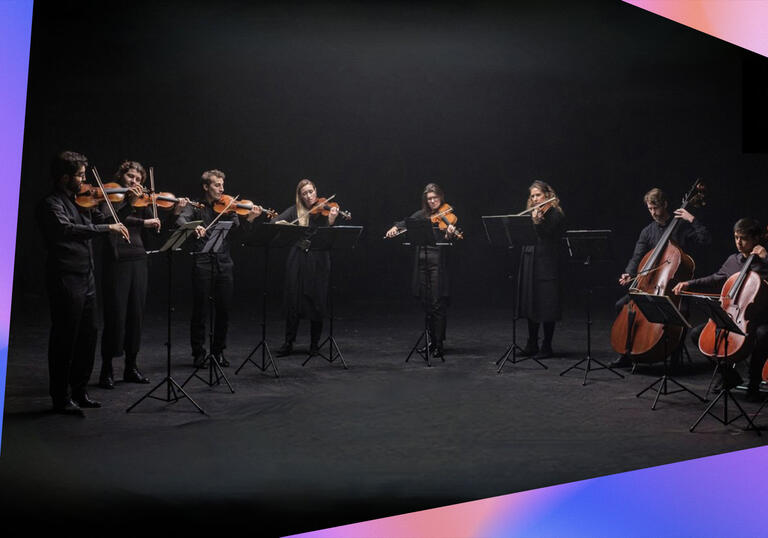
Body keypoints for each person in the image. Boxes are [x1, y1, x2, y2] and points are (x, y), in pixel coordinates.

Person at [36, 150, 130, 414]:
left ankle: (80, 390)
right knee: (66, 338)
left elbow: (101, 218)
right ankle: (61, 398)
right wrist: (105, 229)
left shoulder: (82, 201)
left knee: (89, 335)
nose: (85, 179)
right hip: (65, 277)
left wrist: (118, 205)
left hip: (86, 276)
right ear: (65, 177)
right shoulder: (50, 204)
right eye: (79, 175)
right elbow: (67, 230)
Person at [97, 160, 190, 389]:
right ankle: (106, 369)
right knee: (115, 315)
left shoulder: (142, 201)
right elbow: (111, 220)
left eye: (139, 179)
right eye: (130, 177)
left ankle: (131, 367)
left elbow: (154, 231)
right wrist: (134, 210)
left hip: (139, 258)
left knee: (135, 316)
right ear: (121, 177)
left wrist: (173, 214)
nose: (135, 182)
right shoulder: (110, 197)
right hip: (117, 260)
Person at [612, 187, 710, 367]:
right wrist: (629, 273)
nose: (653, 212)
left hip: (673, 287)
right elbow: (637, 256)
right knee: (621, 305)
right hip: (649, 284)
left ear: (665, 204)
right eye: (649, 209)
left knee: (681, 313)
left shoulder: (682, 227)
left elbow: (705, 240)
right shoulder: (648, 231)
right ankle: (626, 352)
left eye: (655, 208)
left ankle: (675, 358)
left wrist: (692, 219)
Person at [673, 218, 768, 401]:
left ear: (757, 238)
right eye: (736, 238)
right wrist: (688, 283)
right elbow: (716, 278)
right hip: (736, 316)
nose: (739, 243)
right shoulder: (733, 260)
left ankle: (753, 384)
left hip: (761, 318)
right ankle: (729, 376)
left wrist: (766, 258)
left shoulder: (765, 262)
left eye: (744, 238)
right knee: (698, 335)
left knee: (763, 335)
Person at [176, 169, 261, 367]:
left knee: (223, 311)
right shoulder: (196, 206)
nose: (221, 189)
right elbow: (181, 219)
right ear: (206, 186)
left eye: (222, 185)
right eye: (216, 185)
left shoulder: (229, 208)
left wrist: (249, 219)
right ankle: (198, 353)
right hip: (202, 262)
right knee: (200, 311)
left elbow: (238, 236)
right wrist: (192, 226)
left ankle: (218, 352)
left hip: (224, 262)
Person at [385, 183, 459, 358]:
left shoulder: (448, 215)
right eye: (429, 199)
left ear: (441, 197)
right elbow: (406, 223)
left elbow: (450, 239)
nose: (432, 201)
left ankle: (439, 344)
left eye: (435, 198)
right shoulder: (422, 215)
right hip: (422, 263)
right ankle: (431, 341)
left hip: (437, 263)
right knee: (427, 303)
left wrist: (449, 233)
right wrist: (396, 227)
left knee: (437, 303)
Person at [275, 179, 339, 357]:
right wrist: (284, 226)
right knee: (293, 300)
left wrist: (331, 221)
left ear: (316, 191)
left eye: (311, 191)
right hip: (298, 258)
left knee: (317, 300)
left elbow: (330, 238)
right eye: (304, 193)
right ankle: (289, 342)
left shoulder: (326, 210)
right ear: (300, 196)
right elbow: (275, 222)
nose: (309, 196)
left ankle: (314, 344)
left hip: (318, 259)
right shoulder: (295, 211)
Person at [516, 180, 565, 359]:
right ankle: (531, 343)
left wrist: (537, 223)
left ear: (547, 195)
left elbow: (547, 236)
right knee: (532, 301)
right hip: (531, 260)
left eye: (538, 195)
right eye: (533, 196)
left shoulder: (555, 214)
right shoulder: (532, 214)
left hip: (547, 263)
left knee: (547, 303)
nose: (535, 199)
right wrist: (532, 221)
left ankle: (547, 345)